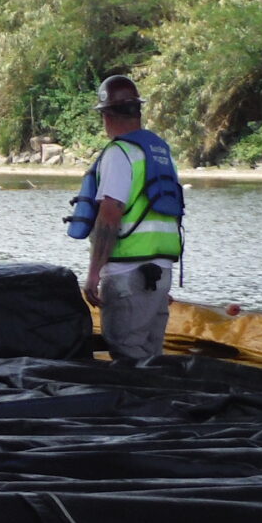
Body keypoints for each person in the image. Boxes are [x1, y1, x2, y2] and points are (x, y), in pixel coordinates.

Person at [70, 74, 185, 365]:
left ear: (107, 115)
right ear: (137, 111)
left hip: (127, 276)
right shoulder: (159, 152)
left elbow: (110, 215)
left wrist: (94, 272)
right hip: (161, 271)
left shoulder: (119, 153)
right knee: (151, 357)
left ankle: (139, 408)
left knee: (126, 353)